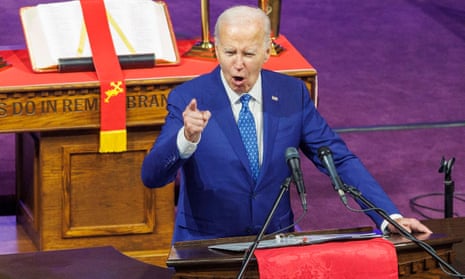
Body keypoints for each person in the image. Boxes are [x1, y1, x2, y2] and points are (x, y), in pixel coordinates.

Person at [141, 5, 431, 243]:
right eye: (229, 53)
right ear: (216, 50)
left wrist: (389, 216)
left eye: (249, 53)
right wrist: (185, 138)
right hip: (206, 247)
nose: (237, 64)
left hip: (275, 244)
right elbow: (152, 176)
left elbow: (337, 160)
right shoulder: (189, 98)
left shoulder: (292, 95)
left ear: (267, 52)